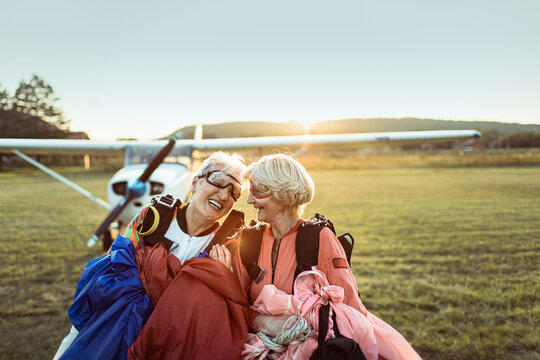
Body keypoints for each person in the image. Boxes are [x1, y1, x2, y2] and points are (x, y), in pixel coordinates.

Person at [222, 153, 421, 359]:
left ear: (285, 194)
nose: (249, 199)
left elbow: (350, 310)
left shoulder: (319, 239)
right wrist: (264, 322)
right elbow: (236, 306)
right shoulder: (250, 241)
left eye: (258, 191)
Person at [54, 151, 249, 360]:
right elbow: (111, 267)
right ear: (194, 183)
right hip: (116, 327)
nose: (223, 195)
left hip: (169, 343)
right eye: (218, 181)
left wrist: (218, 277)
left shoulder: (227, 247)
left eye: (234, 192)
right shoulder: (153, 218)